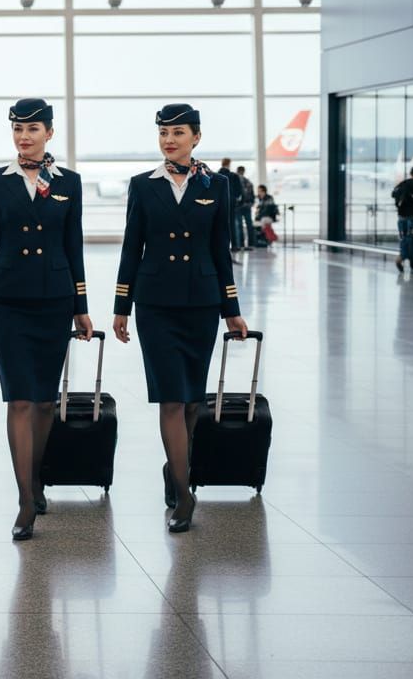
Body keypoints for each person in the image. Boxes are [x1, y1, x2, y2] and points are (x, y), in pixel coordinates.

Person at [112, 104, 248, 534]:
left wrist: (232, 310)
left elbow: (220, 248)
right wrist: (121, 306)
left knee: (192, 400)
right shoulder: (143, 185)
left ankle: (176, 469)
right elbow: (132, 246)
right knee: (171, 397)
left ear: (196, 138)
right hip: (156, 304)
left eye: (178, 132)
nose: (169, 140)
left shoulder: (217, 185)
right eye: (163, 133)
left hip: (202, 302)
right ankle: (185, 493)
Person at [0, 99, 92, 541]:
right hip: (8, 303)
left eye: (33, 128)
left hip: (54, 300)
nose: (24, 136)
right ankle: (24, 498)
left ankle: (36, 477)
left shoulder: (69, 183)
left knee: (43, 402)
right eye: (18, 129)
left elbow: (73, 245)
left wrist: (81, 307)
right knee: (19, 399)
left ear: (49, 133)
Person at [217, 158, 244, 256]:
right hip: (231, 202)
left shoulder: (216, 175)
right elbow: (239, 191)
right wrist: (236, 199)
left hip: (219, 202)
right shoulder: (233, 176)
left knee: (219, 224)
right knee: (232, 223)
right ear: (229, 164)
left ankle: (221, 246)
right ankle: (234, 245)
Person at [235, 165, 255, 251]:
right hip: (247, 206)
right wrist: (250, 204)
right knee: (249, 225)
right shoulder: (248, 182)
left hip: (238, 207)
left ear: (237, 171)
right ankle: (251, 244)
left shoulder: (235, 182)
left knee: (239, 226)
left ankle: (241, 245)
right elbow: (252, 196)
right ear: (244, 171)